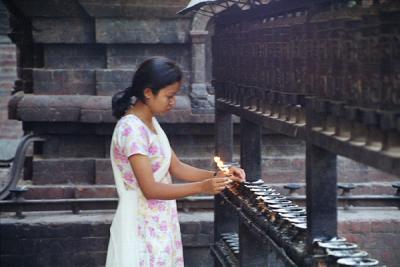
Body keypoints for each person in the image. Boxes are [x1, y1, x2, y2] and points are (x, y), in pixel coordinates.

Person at [105, 57, 246, 267]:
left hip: (160, 220)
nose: (173, 102)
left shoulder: (149, 123)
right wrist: (202, 187)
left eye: (175, 96)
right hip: (141, 223)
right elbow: (150, 189)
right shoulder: (131, 130)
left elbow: (176, 167)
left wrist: (219, 175)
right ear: (148, 93)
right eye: (169, 96)